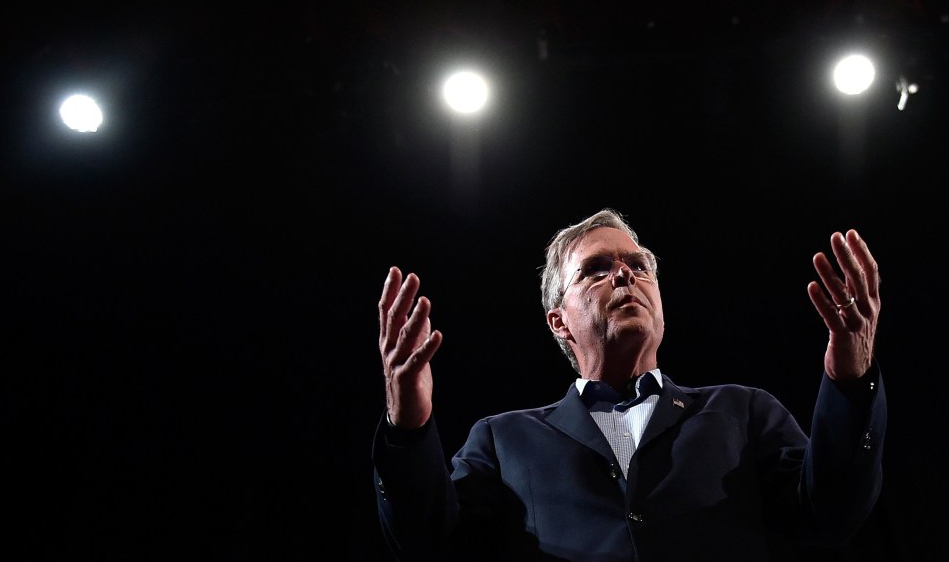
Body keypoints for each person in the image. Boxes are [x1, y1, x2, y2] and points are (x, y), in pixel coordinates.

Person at [373, 208, 885, 561]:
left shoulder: (742, 411)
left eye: (638, 266)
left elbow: (831, 516)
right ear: (559, 321)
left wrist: (851, 381)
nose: (625, 276)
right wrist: (407, 424)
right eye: (596, 270)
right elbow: (428, 546)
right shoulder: (502, 439)